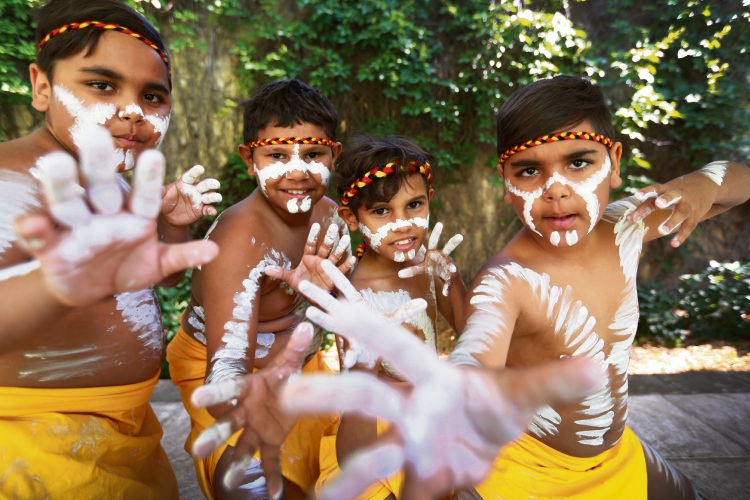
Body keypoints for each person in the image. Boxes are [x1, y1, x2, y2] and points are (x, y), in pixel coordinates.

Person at [444, 75, 750, 499]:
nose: (556, 189)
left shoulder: (628, 225)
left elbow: (740, 179)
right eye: (529, 170)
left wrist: (697, 187)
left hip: (615, 455)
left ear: (614, 163)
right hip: (531, 471)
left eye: (578, 162)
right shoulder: (506, 281)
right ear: (506, 182)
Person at [0, 0, 220, 497]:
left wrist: (170, 228)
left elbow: (152, 280)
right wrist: (54, 286)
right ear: (41, 85)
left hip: (123, 432)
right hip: (37, 450)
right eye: (101, 85)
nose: (132, 112)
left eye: (153, 96)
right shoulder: (11, 182)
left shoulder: (115, 186)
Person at [166, 78, 354, 499]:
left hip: (303, 368)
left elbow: (349, 324)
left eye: (312, 154)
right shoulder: (238, 239)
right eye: (276, 155)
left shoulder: (330, 217)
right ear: (250, 160)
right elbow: (222, 386)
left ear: (333, 155)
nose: (297, 171)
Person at [315, 134, 467, 498]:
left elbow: (475, 333)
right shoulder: (355, 297)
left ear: (430, 200)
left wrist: (451, 281)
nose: (402, 223)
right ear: (352, 218)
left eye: (413, 205)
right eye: (382, 211)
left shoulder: (429, 267)